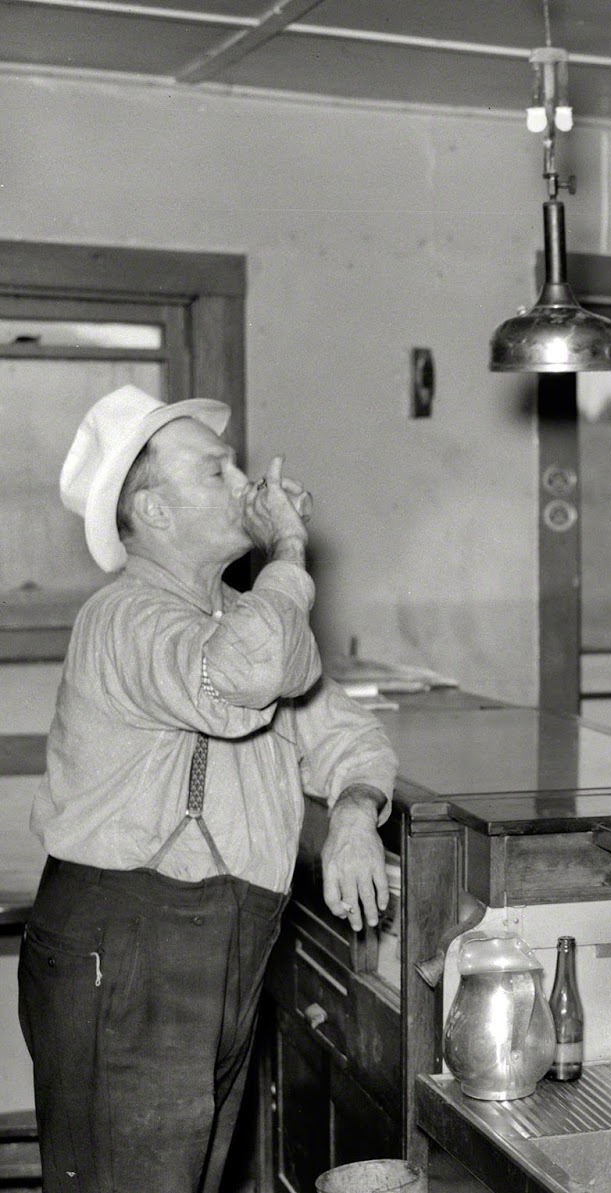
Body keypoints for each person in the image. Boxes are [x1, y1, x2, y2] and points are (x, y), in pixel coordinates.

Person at [21, 384, 396, 1193]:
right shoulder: (123, 617)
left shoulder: (245, 613)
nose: (247, 484)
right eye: (218, 471)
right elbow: (245, 676)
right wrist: (288, 554)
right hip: (127, 946)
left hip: (217, 944)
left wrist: (357, 814)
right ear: (152, 510)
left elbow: (346, 736)